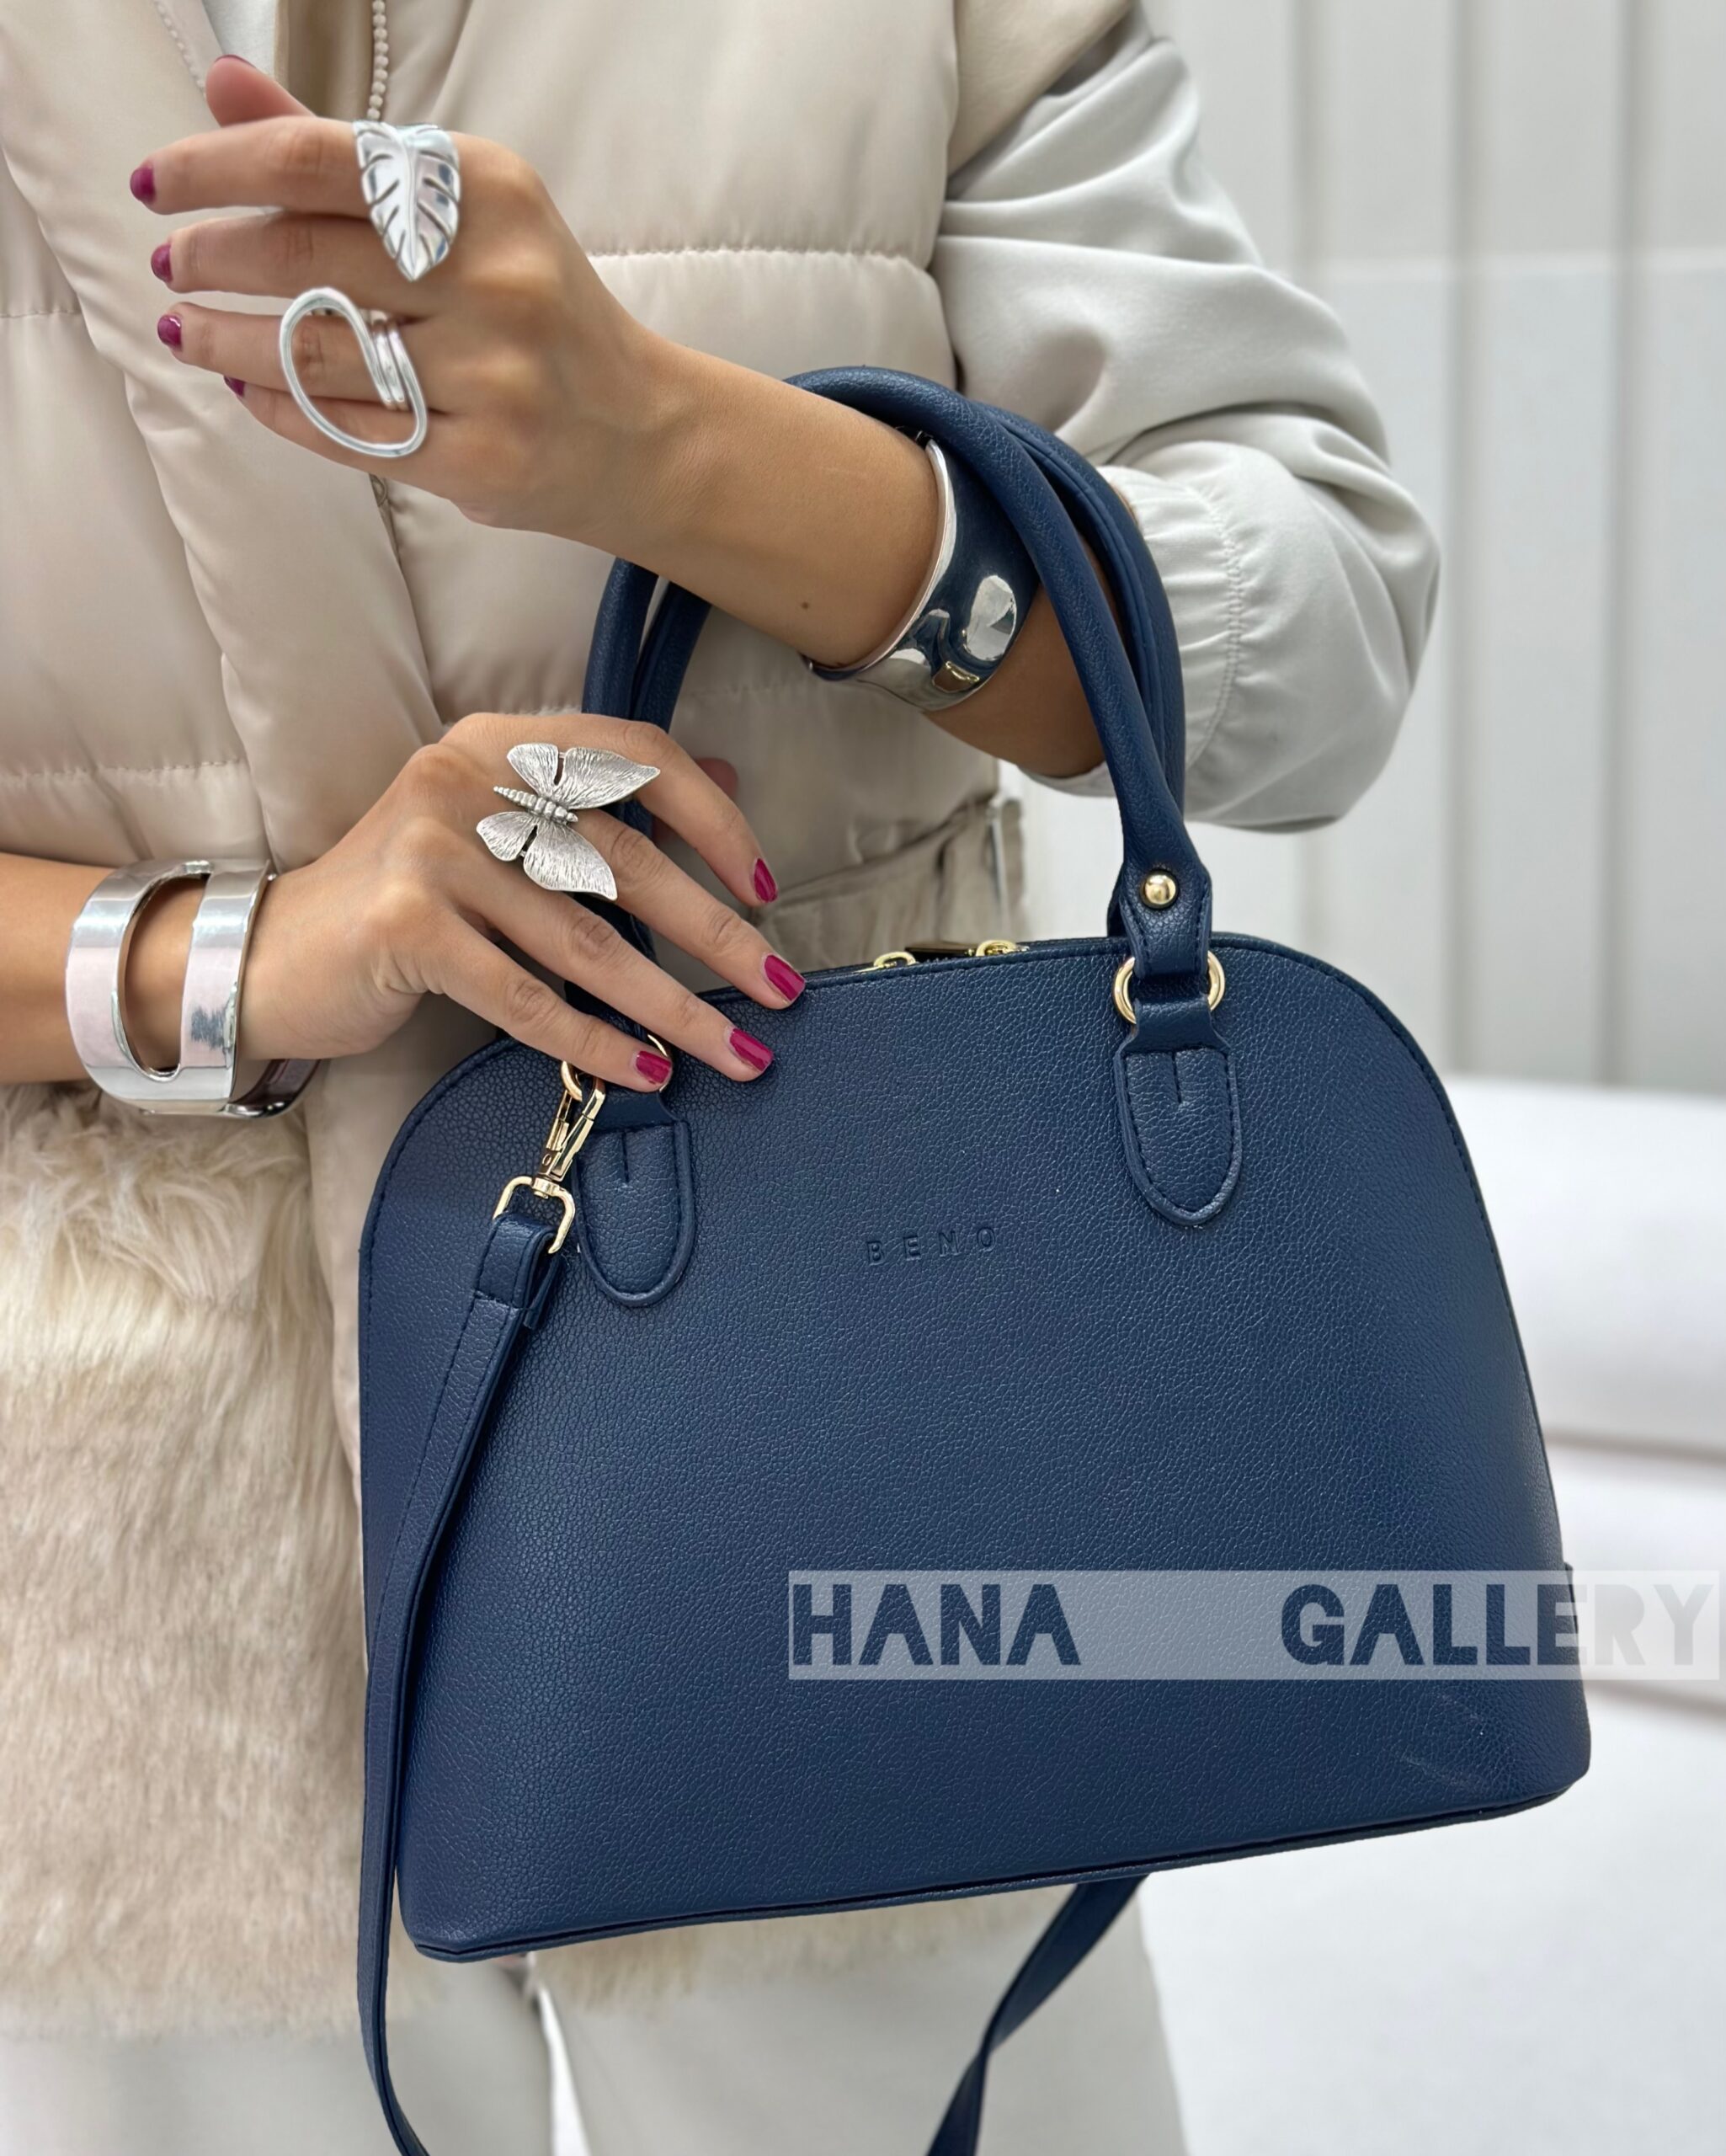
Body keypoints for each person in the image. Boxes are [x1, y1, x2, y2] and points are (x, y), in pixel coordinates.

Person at [0, 2, 1437, 2149]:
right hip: (121, 1597)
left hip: (857, 1441)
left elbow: (1313, 633)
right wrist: (241, 953)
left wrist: (675, 446)